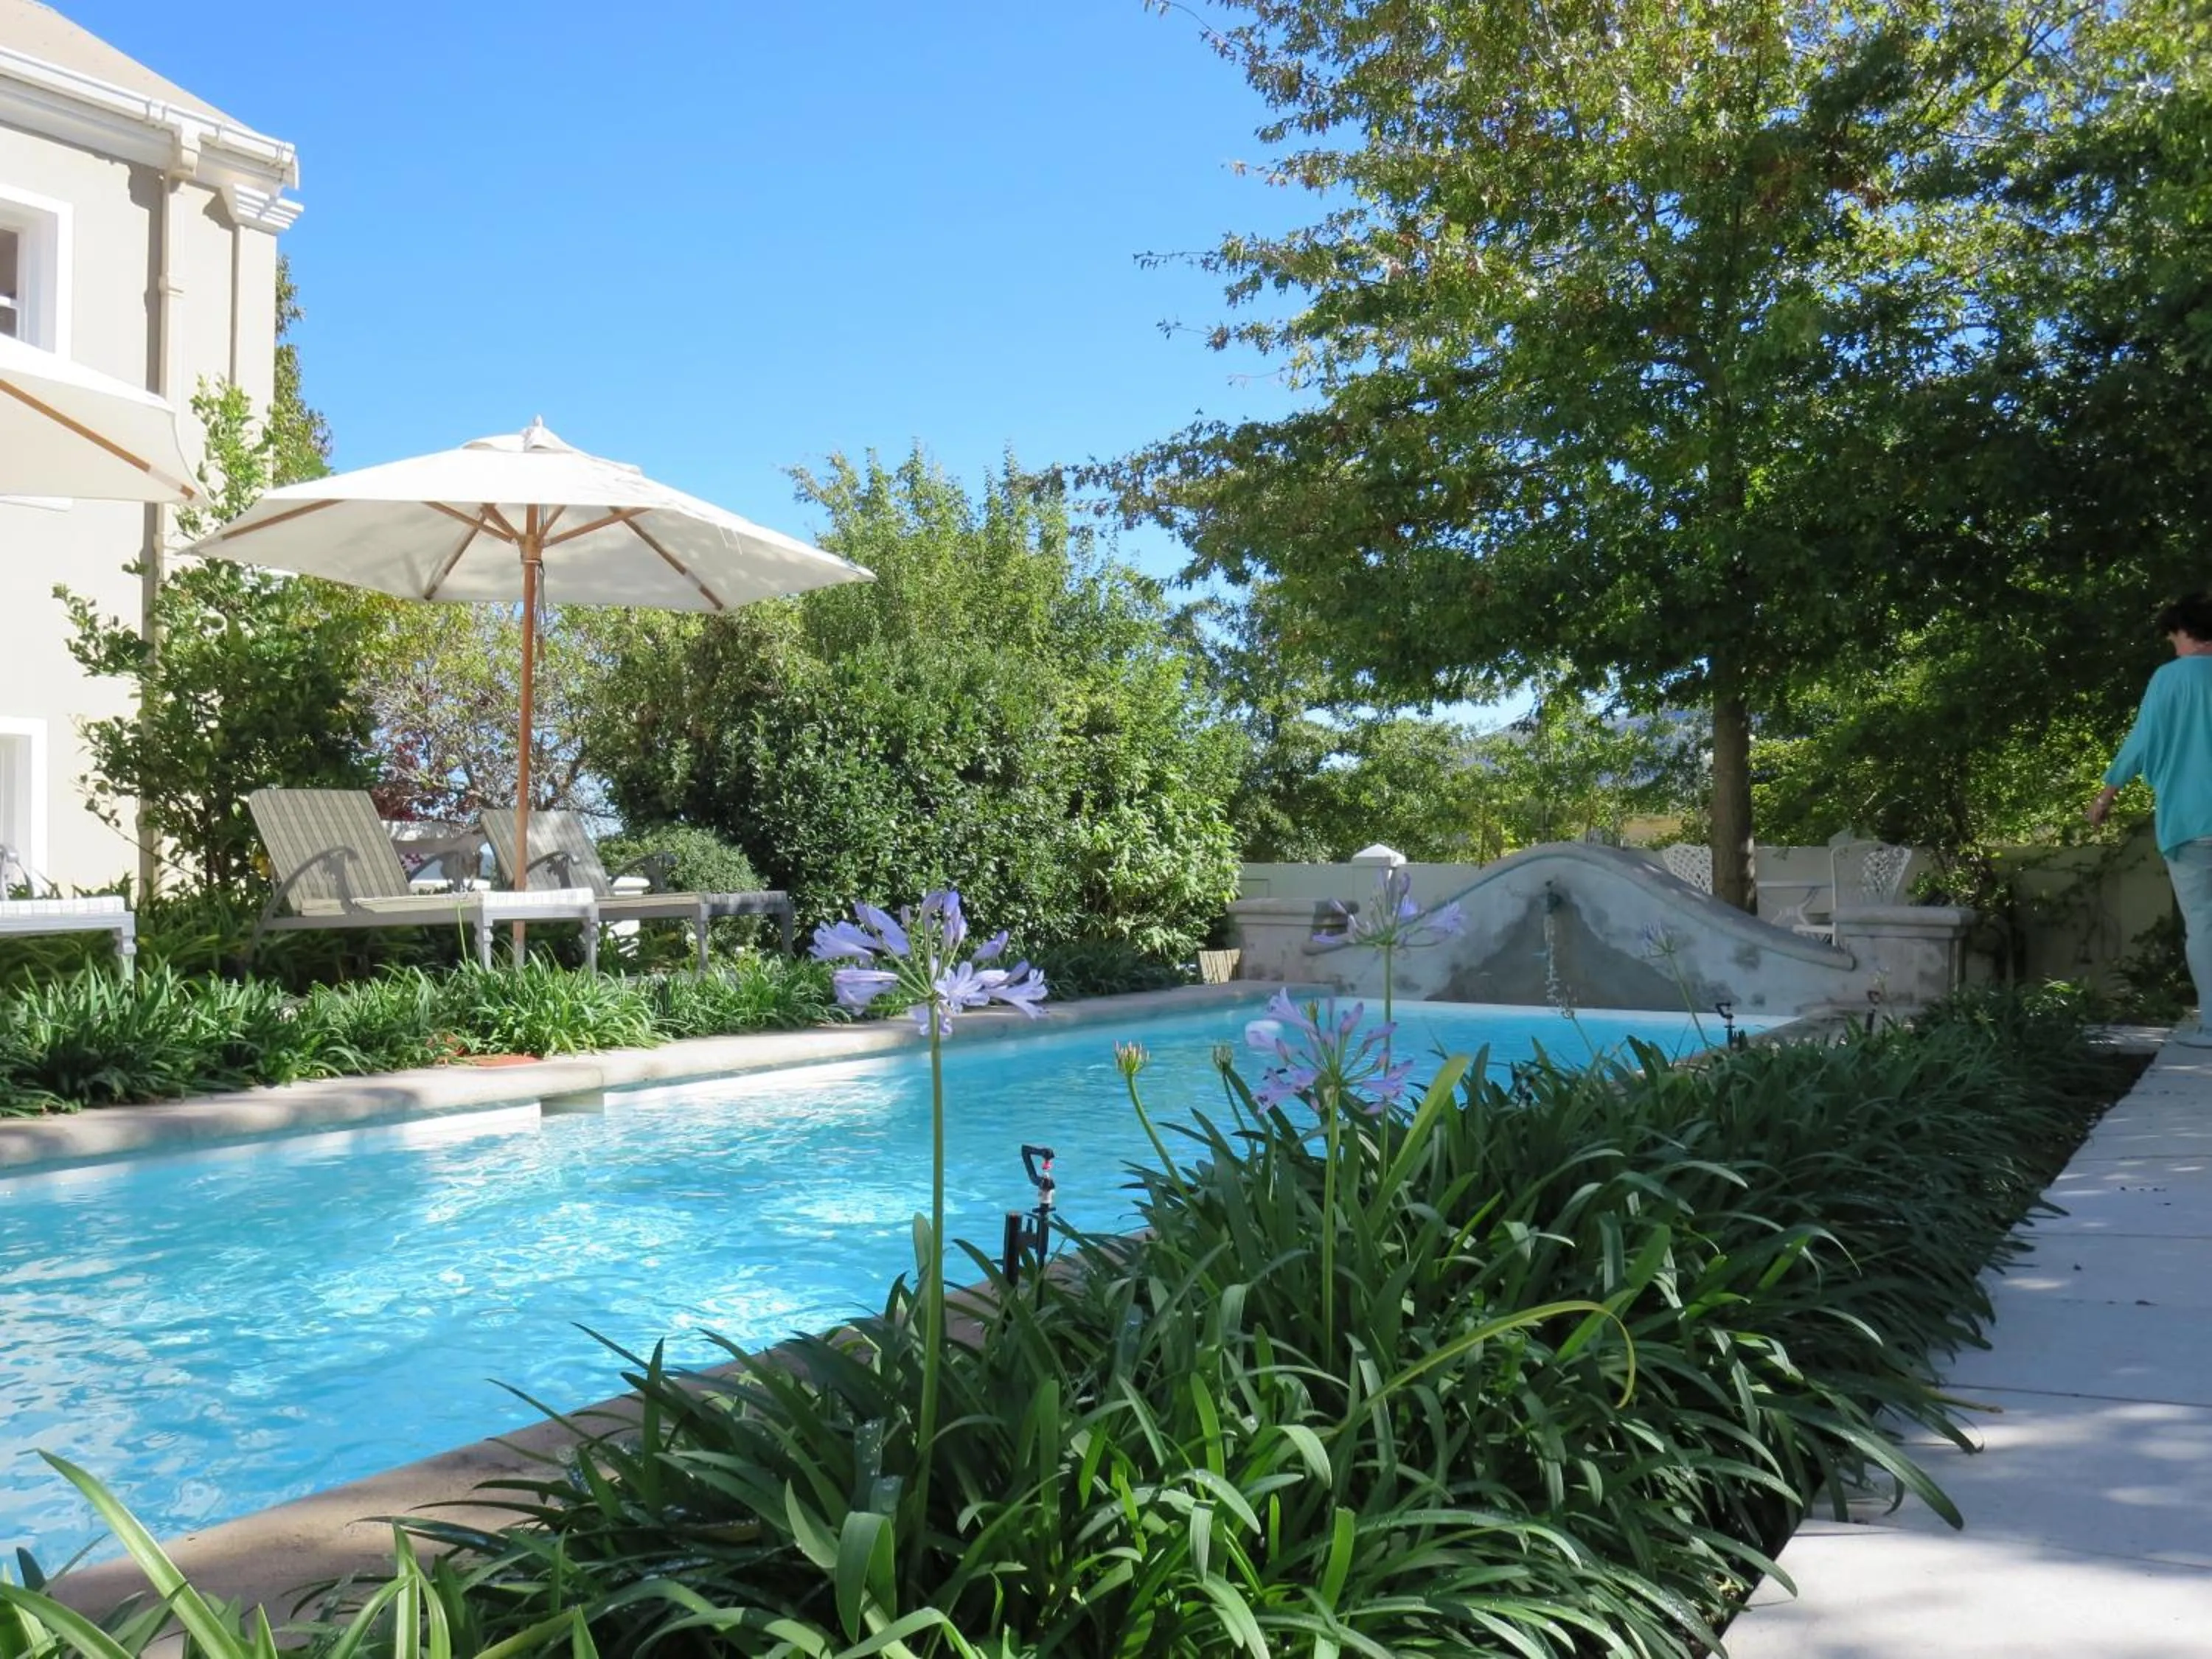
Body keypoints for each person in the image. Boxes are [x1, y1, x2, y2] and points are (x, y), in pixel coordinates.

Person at [2092, 592, 2212, 1045]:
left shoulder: (2170, 679)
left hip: (2190, 821)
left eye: (2173, 637)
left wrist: (2106, 796)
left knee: (2203, 922)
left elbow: (2141, 743)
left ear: (2184, 633)